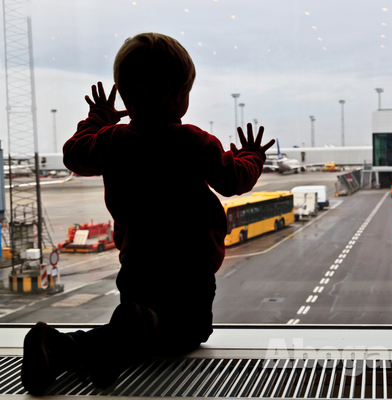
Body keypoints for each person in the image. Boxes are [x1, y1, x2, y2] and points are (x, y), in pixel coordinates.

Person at [21, 32, 274, 395]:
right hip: (189, 263)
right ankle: (128, 331)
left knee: (137, 335)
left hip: (138, 262)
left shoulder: (112, 139)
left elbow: (74, 154)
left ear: (125, 96)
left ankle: (58, 347)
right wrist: (253, 155)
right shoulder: (192, 140)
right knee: (189, 333)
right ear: (180, 97)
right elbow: (233, 179)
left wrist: (100, 118)